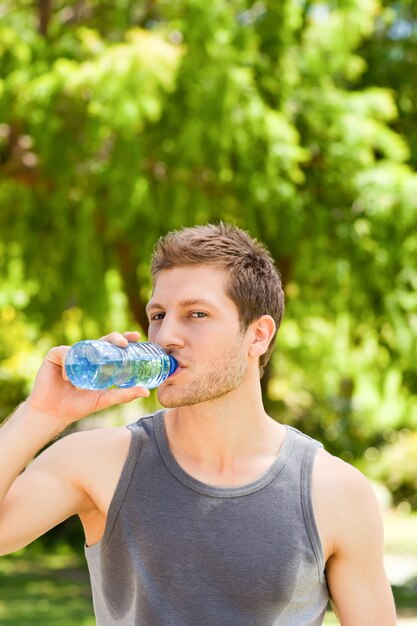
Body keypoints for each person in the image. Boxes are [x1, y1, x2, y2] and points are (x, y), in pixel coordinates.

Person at [0, 223, 396, 625]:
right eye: (158, 315)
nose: (166, 335)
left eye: (196, 314)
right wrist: (41, 414)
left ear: (257, 335)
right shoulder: (100, 462)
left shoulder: (335, 492)